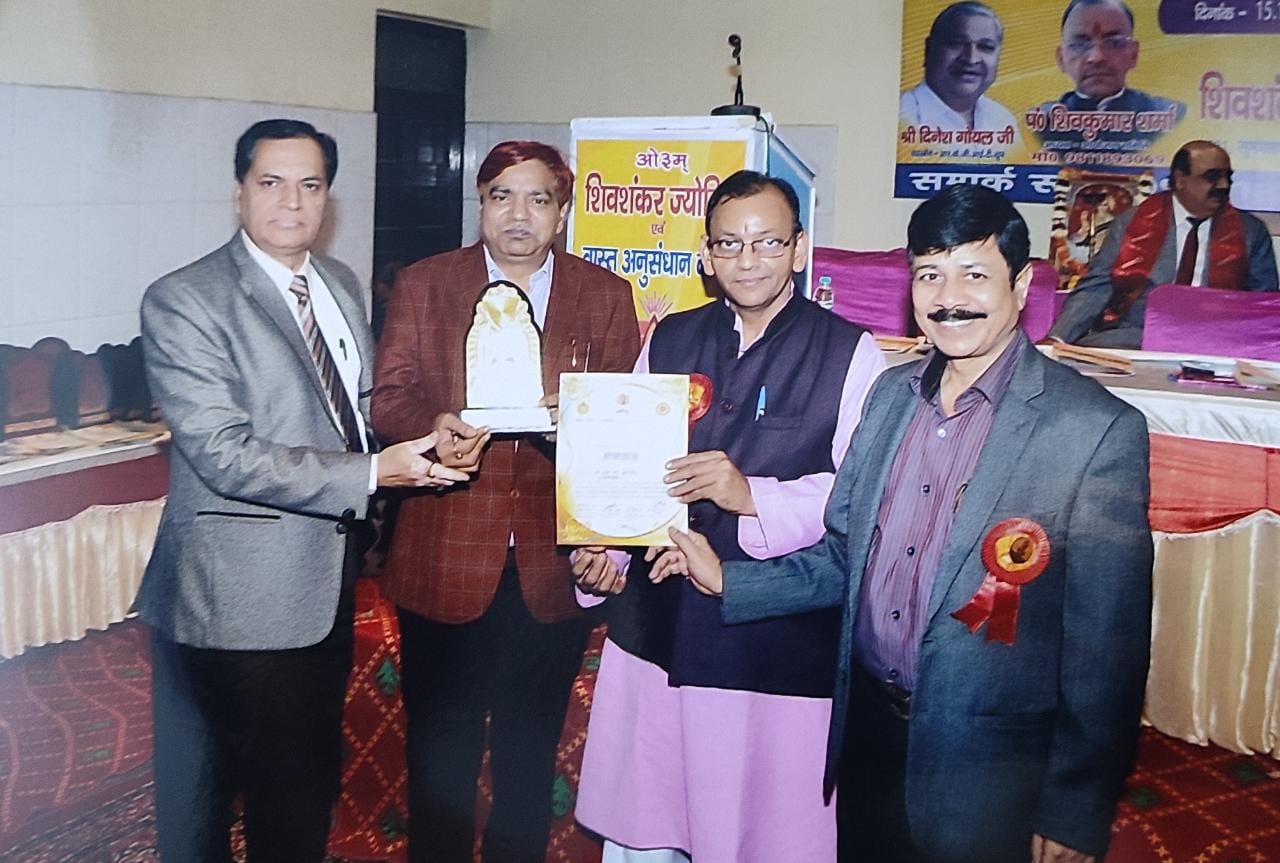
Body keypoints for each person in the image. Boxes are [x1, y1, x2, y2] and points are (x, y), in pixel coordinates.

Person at [666, 184, 1153, 863]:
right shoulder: (890, 397)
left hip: (990, 765)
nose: (949, 297)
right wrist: (730, 581)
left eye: (974, 274)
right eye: (929, 274)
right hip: (867, 736)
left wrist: (1075, 808)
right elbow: (845, 556)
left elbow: (1108, 651)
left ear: (1021, 285)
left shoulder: (1094, 430)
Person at [138, 118, 465, 862]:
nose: (292, 201)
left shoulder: (339, 283)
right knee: (207, 803)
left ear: (327, 197)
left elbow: (359, 407)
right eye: (272, 182)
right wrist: (373, 474)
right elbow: (223, 454)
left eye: (310, 185)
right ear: (239, 192)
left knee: (303, 784)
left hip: (324, 576)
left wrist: (428, 432)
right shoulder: (186, 298)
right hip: (233, 597)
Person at [573, 171, 886, 863]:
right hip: (659, 625)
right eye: (729, 243)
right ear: (706, 256)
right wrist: (608, 554)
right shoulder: (670, 338)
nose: (748, 260)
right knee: (647, 830)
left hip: (771, 642)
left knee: (757, 833)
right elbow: (630, 463)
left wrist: (752, 496)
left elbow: (863, 496)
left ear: (799, 248)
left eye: (768, 241)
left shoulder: (851, 352)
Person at [372, 140, 640, 863]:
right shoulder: (426, 283)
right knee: (441, 761)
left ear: (562, 212)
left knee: (528, 761)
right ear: (481, 203)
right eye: (501, 197)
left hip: (551, 567)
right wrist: (431, 428)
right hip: (445, 558)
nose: (519, 215)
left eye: (538, 199)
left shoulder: (605, 295)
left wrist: (579, 422)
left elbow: (627, 422)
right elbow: (389, 398)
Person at [1049, 140, 1279, 347]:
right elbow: (1097, 286)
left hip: (1214, 342)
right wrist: (1057, 338)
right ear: (1180, 180)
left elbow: (1262, 306)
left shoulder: (1250, 231)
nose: (1223, 185)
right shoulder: (1132, 222)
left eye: (1228, 177)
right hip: (1138, 336)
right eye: (1212, 177)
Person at [1031, 0, 1184, 150]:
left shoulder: (1173, 117)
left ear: (1133, 54)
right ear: (1061, 58)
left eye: (1114, 43)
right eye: (1080, 44)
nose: (1097, 57)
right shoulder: (1038, 124)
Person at [899, 2, 1019, 137]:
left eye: (986, 47)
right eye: (957, 44)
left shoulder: (1002, 120)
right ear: (929, 50)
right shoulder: (900, 115)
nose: (971, 59)